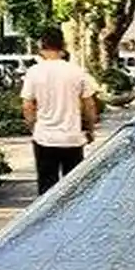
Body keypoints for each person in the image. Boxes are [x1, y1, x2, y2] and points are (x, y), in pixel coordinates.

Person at [20, 28, 100, 195]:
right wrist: (90, 129)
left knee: (47, 187)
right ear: (63, 46)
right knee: (74, 190)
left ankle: (48, 220)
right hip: (72, 138)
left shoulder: (34, 72)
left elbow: (27, 105)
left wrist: (33, 127)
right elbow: (89, 105)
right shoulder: (76, 71)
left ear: (41, 46)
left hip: (44, 138)